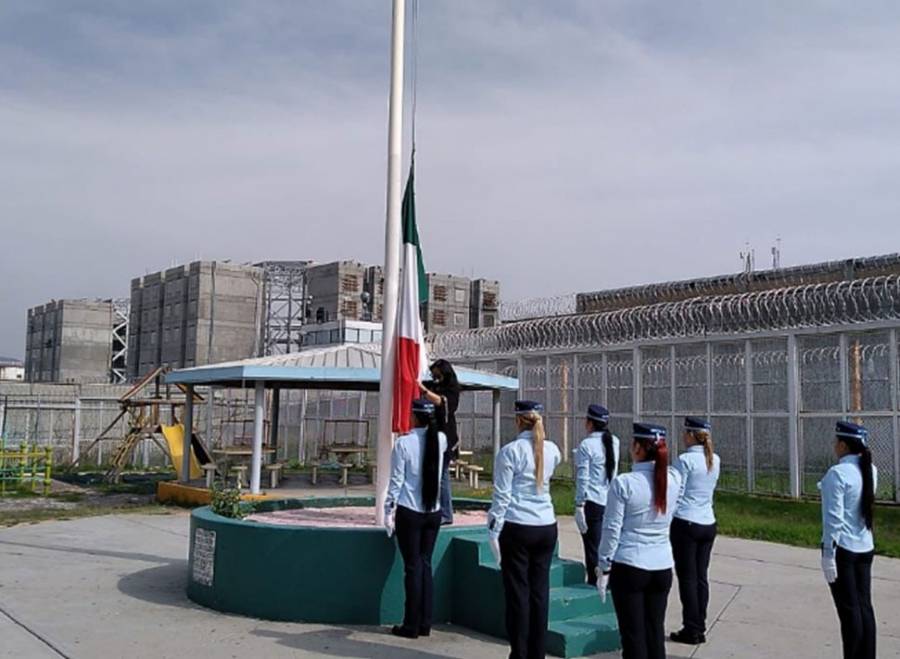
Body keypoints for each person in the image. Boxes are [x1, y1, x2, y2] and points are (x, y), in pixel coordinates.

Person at [597, 423, 683, 659]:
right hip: (662, 565)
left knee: (633, 636)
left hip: (630, 565)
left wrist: (603, 566)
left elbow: (612, 528)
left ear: (638, 448)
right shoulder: (674, 479)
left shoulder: (624, 483)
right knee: (654, 631)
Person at [487, 400, 562, 659]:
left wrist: (494, 528)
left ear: (518, 420)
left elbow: (502, 495)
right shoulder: (552, 449)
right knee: (540, 592)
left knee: (518, 594)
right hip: (546, 525)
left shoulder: (510, 452)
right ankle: (537, 653)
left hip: (518, 525)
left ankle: (519, 652)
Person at [383, 398, 448, 639]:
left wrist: (388, 512)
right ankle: (425, 622)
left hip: (410, 511)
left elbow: (396, 481)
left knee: (412, 568)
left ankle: (410, 624)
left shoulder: (404, 443)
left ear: (415, 417)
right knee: (425, 564)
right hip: (433, 511)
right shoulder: (440, 440)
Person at [820, 420, 878, 659]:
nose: (835, 445)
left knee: (849, 611)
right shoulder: (869, 469)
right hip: (865, 546)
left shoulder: (838, 473)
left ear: (843, 445)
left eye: (836, 442)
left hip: (843, 549)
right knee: (864, 607)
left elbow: (833, 520)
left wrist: (827, 555)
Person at [669, 416, 720, 646]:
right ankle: (699, 624)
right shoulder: (714, 459)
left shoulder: (684, 460)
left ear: (690, 435)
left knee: (687, 578)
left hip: (686, 522)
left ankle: (691, 627)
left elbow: (676, 493)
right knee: (701, 577)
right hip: (707, 521)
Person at [574, 404, 620, 585]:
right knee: (608, 544)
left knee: (592, 548)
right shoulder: (613, 441)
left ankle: (595, 582)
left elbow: (583, 479)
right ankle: (608, 581)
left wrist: (579, 505)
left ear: (590, 423)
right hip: (609, 499)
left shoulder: (586, 445)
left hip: (592, 502)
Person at [419, 359, 461, 525]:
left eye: (437, 373)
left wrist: (422, 390)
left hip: (445, 436)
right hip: (432, 434)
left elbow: (441, 402)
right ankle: (432, 508)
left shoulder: (451, 390)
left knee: (442, 476)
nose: (435, 377)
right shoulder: (434, 386)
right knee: (431, 474)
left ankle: (446, 513)